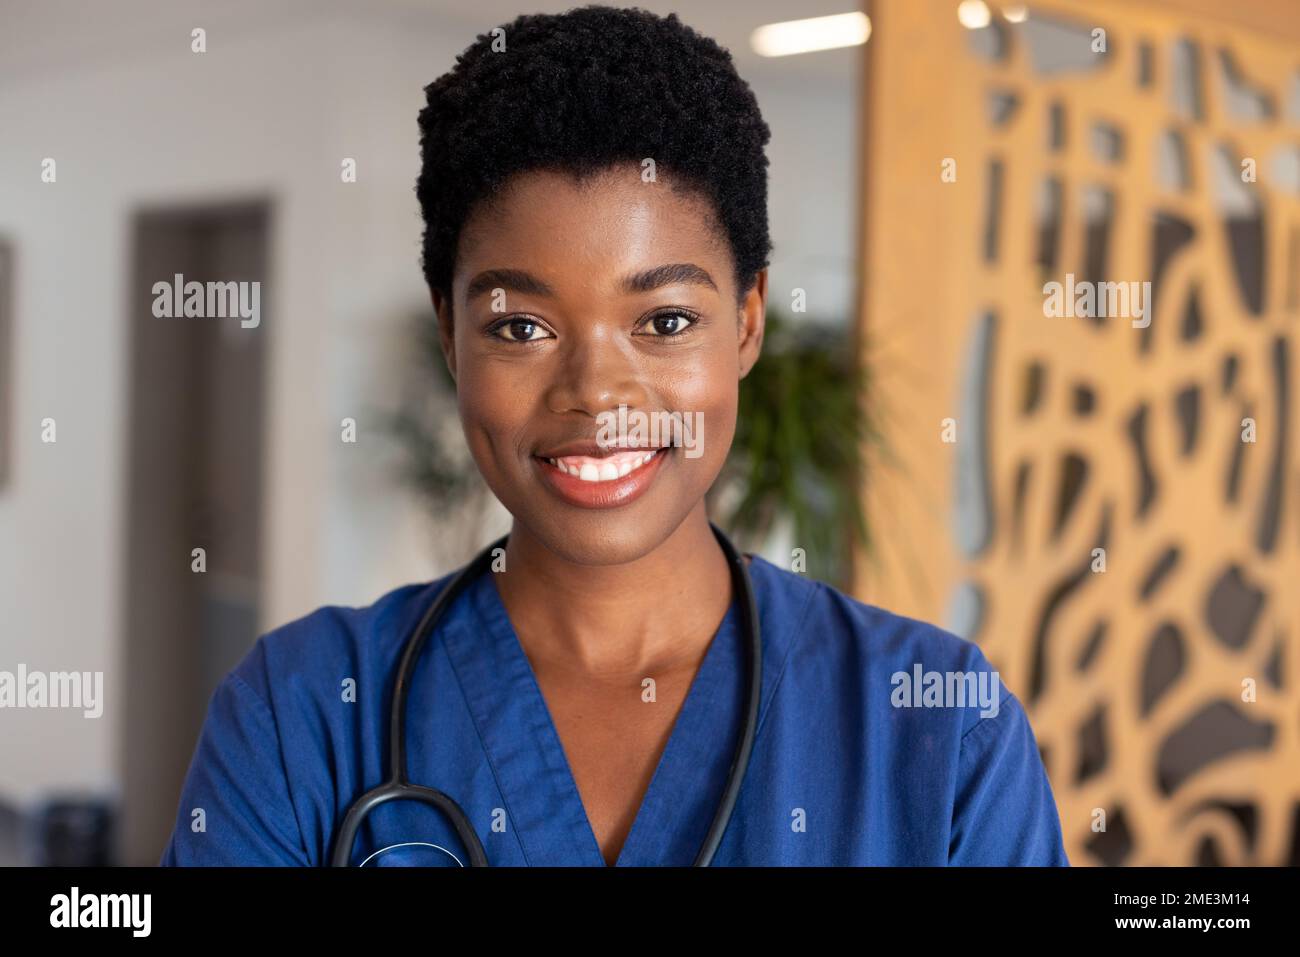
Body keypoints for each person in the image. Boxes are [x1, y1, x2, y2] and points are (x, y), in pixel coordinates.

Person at [161, 5, 1068, 867]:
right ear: (450, 333)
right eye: (521, 327)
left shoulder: (940, 729)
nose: (596, 396)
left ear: (748, 322)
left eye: (665, 321)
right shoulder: (304, 711)